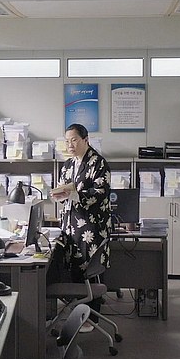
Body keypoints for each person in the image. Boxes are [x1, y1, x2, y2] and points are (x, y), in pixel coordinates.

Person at [50, 123, 112, 329]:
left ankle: (92, 318)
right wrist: (59, 195)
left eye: (74, 140)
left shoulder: (98, 163)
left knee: (90, 273)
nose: (70, 145)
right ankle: (78, 313)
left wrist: (74, 194)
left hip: (91, 228)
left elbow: (100, 192)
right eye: (67, 141)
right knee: (74, 271)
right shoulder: (68, 164)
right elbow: (64, 190)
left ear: (86, 140)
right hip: (71, 226)